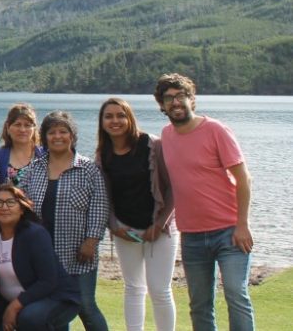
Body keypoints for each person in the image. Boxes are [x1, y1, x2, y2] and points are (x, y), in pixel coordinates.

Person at [155, 73, 254, 331]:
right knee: (199, 304)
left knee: (236, 295)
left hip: (229, 232)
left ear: (191, 99)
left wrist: (242, 224)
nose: (175, 102)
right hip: (192, 237)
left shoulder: (215, 130)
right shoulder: (166, 136)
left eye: (180, 96)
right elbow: (178, 184)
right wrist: (161, 220)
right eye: (168, 98)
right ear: (162, 106)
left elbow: (243, 179)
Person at [21, 111, 109, 331]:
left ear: (72, 135)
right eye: (52, 132)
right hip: (44, 255)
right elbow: (22, 205)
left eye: (63, 131)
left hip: (78, 253)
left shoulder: (88, 169)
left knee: (86, 307)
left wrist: (92, 241)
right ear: (44, 136)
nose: (57, 136)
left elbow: (99, 207)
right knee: (56, 308)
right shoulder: (35, 169)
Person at [96, 97, 176, 331]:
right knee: (133, 288)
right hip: (125, 229)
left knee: (160, 290)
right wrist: (115, 227)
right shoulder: (104, 153)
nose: (115, 121)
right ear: (102, 122)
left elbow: (173, 188)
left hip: (160, 230)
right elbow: (105, 195)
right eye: (109, 116)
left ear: (130, 117)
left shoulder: (152, 144)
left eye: (120, 115)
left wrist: (160, 224)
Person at [0, 183, 80, 331]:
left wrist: (15, 306)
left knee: (29, 317)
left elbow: (48, 281)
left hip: (54, 297)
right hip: (10, 301)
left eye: (11, 202)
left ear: (21, 209)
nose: (4, 207)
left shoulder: (35, 234)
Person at [0, 103, 44, 187]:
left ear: (34, 128)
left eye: (27, 125)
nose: (22, 129)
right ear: (8, 127)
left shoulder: (44, 155)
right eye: (17, 124)